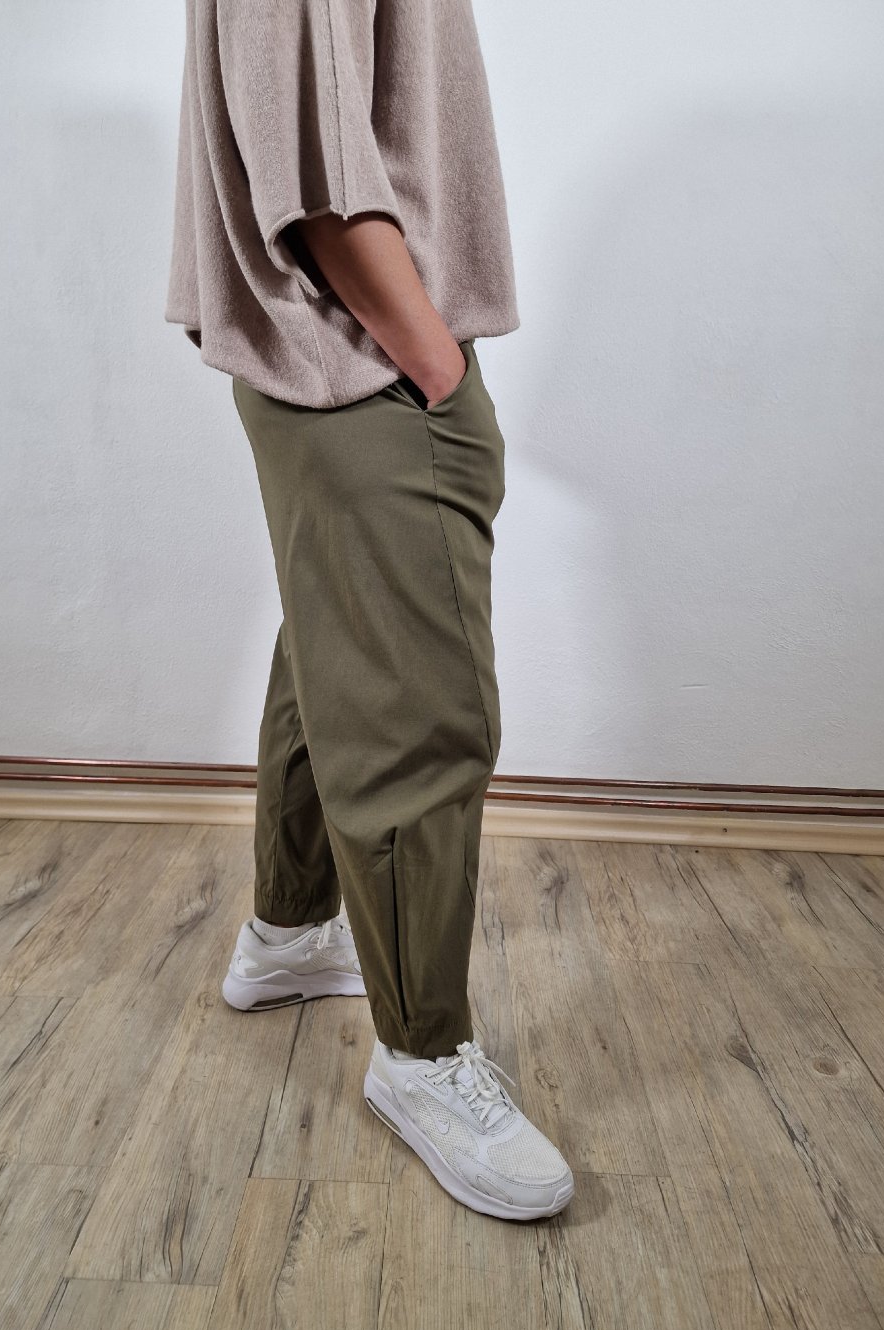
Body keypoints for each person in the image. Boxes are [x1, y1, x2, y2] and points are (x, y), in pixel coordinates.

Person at [165, 0, 573, 1221]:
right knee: (419, 710)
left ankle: (290, 935)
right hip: (366, 358)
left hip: (336, 356)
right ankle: (421, 1053)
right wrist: (435, 365)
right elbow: (322, 186)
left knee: (335, 645)